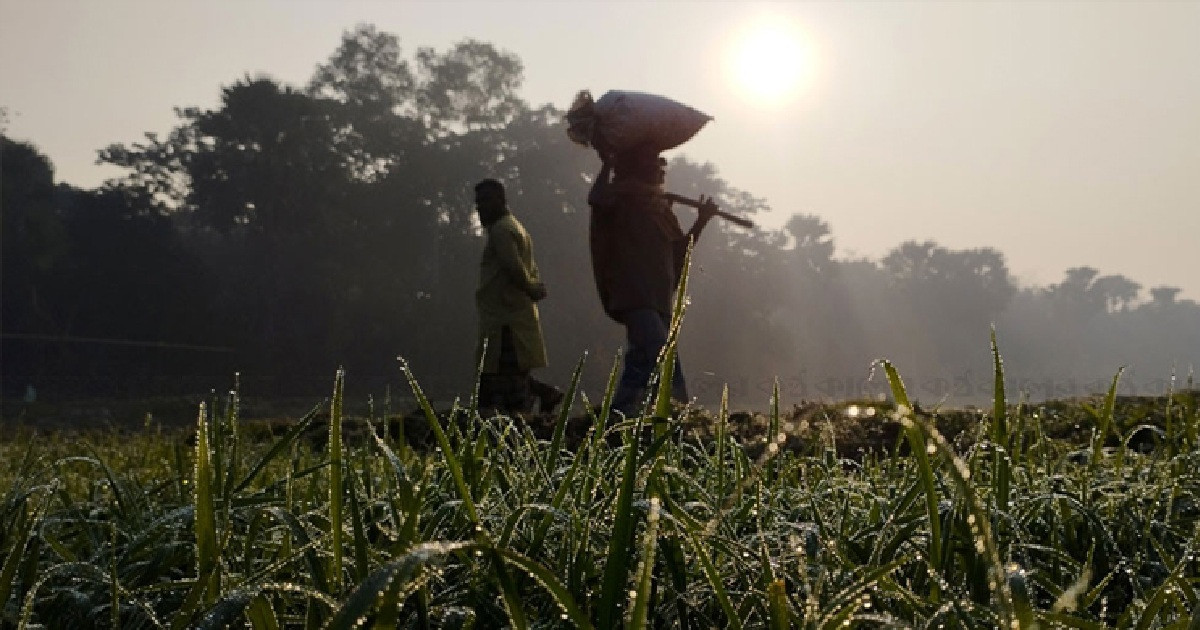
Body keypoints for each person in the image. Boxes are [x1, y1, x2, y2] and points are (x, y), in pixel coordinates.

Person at [587, 149, 719, 416]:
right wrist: (607, 165)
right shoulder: (619, 202)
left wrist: (701, 220)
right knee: (662, 350)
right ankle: (680, 410)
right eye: (652, 168)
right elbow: (597, 199)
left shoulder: (660, 210)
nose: (659, 174)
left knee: (643, 359)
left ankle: (621, 413)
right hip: (634, 294)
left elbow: (680, 251)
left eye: (661, 170)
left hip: (659, 297)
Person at [473, 178, 563, 414]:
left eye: (485, 201)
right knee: (509, 374)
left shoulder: (502, 231)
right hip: (510, 316)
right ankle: (545, 394)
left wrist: (530, 287)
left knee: (497, 378)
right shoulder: (514, 227)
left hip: (505, 321)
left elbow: (514, 267)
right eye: (478, 202)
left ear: (501, 200)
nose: (480, 207)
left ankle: (519, 422)